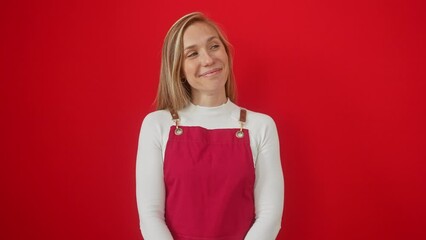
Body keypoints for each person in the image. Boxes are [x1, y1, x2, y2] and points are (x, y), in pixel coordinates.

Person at [136, 12, 284, 240]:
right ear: (178, 68)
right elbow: (150, 216)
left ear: (226, 52)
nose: (208, 59)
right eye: (192, 53)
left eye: (214, 46)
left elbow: (269, 215)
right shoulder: (157, 125)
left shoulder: (261, 126)